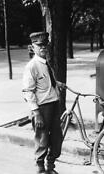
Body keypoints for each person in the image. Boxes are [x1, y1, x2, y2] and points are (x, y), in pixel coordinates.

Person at [22, 31, 64, 174]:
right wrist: (37, 113)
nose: (43, 48)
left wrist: (57, 83)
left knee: (57, 138)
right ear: (32, 47)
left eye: (45, 45)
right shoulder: (32, 66)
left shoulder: (46, 63)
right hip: (42, 108)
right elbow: (28, 91)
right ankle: (40, 169)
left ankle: (51, 166)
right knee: (42, 139)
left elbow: (46, 81)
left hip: (54, 104)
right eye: (39, 45)